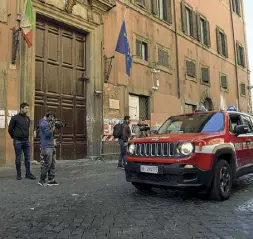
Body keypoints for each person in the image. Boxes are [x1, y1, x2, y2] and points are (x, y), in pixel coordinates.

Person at [8, 102, 36, 180]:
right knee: (18, 158)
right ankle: (18, 174)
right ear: (21, 108)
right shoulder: (15, 118)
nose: (27, 110)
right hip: (17, 141)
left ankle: (28, 174)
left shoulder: (27, 118)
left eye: (28, 108)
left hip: (26, 140)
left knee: (27, 158)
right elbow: (10, 129)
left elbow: (27, 128)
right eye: (26, 108)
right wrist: (14, 137)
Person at [38, 112, 59, 186]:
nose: (53, 119)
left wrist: (56, 128)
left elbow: (52, 134)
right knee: (47, 164)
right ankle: (41, 179)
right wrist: (53, 127)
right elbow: (48, 134)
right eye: (52, 117)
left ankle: (51, 179)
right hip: (46, 146)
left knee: (53, 163)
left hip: (51, 145)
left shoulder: (47, 123)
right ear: (49, 116)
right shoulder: (44, 123)